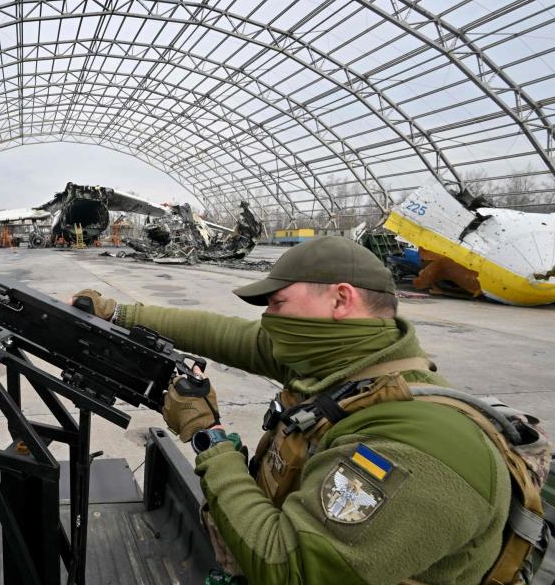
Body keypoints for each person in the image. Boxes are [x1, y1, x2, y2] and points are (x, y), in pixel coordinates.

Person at [73, 236, 515, 585]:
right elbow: (225, 334)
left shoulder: (416, 445)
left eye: (278, 303)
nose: (268, 318)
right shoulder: (341, 361)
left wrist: (209, 436)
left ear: (341, 300)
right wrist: (119, 313)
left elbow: (289, 568)